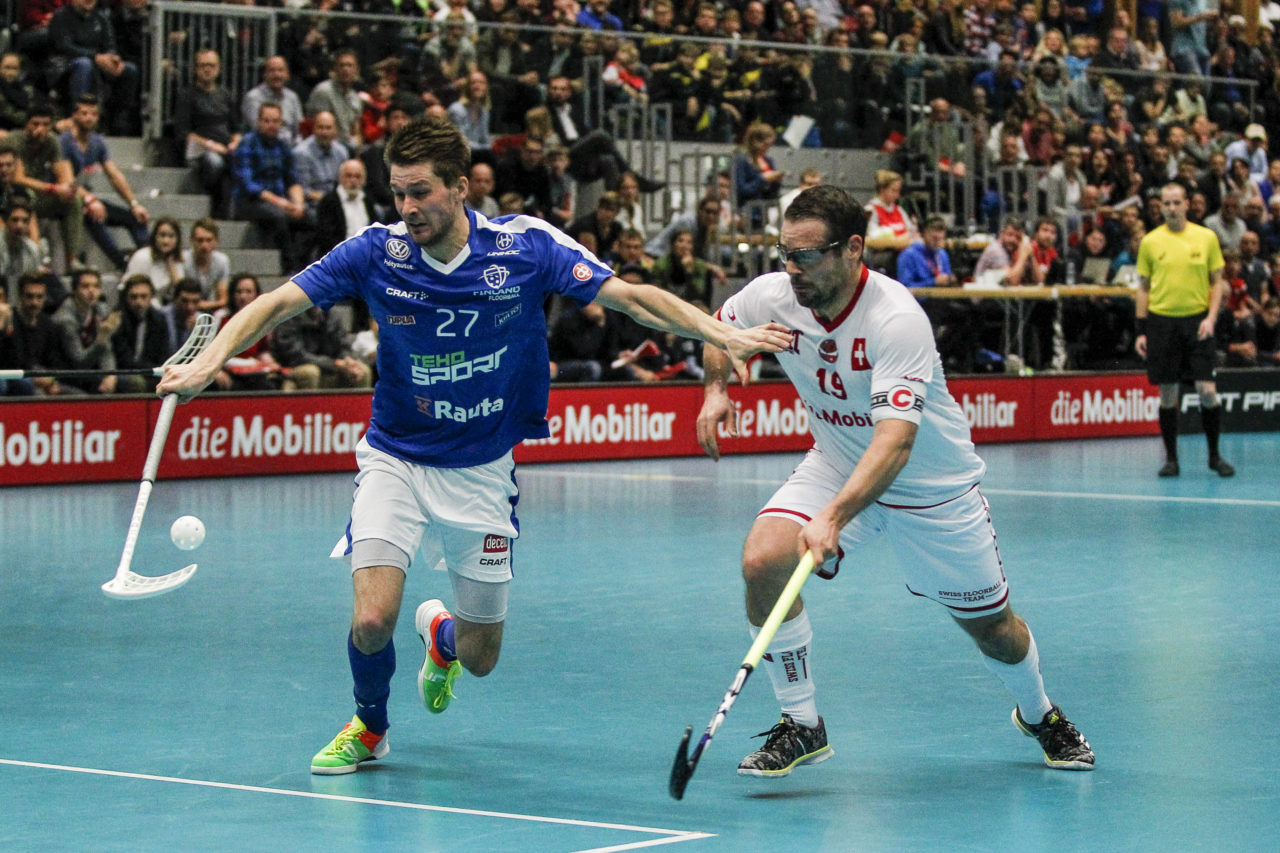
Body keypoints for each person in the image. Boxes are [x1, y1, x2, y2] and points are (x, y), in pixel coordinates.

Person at [155, 115, 791, 776]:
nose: (406, 208)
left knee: (482, 655)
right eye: (397, 192)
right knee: (372, 619)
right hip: (395, 455)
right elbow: (276, 303)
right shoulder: (376, 251)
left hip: (483, 469)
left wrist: (721, 335)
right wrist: (209, 363)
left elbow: (631, 297)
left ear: (461, 188)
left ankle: (443, 635)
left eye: (420, 191)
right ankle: (370, 726)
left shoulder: (524, 246)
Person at [695, 184, 1094, 780]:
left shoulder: (895, 317)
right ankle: (801, 724)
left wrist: (831, 518)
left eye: (806, 255)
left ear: (853, 249)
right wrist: (716, 389)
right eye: (784, 253)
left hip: (929, 489)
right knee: (763, 561)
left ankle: (1040, 713)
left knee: (993, 630)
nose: (791, 268)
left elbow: (896, 443)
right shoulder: (774, 295)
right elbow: (717, 329)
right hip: (834, 461)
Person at [1135, 182, 1234, 478]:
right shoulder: (1150, 242)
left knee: (1207, 390)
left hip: (1197, 321)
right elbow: (1142, 287)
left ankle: (1215, 457)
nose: (1171, 208)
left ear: (1187, 204)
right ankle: (1171, 459)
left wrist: (1211, 318)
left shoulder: (1206, 238)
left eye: (1176, 202)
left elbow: (1217, 281)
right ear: (1161, 207)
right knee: (1168, 392)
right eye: (1166, 203)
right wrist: (1142, 330)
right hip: (1162, 322)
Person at [59, 94, 150, 271]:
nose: (89, 118)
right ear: (75, 116)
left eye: (93, 114)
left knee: (136, 218)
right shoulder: (65, 141)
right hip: (67, 198)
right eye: (84, 113)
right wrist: (90, 200)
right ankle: (123, 265)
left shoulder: (97, 142)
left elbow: (114, 175)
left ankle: (148, 262)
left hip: (85, 196)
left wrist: (134, 203)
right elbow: (68, 180)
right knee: (95, 215)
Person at [233, 102, 308, 274]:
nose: (271, 125)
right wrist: (283, 204)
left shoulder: (283, 146)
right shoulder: (247, 143)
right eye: (266, 121)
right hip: (250, 203)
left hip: (280, 201)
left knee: (310, 217)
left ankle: (308, 267)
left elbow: (292, 179)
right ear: (258, 122)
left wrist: (298, 205)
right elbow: (249, 185)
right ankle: (290, 268)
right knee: (279, 216)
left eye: (275, 121)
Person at [47, 0, 140, 136]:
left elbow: (110, 44)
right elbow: (63, 46)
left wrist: (113, 58)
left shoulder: (101, 18)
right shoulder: (61, 16)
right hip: (65, 66)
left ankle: (119, 122)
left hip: (97, 63)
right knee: (84, 64)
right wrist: (95, 57)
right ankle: (78, 115)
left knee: (129, 70)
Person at [173, 48, 241, 219]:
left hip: (225, 147)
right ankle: (212, 209)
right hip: (200, 150)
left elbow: (237, 128)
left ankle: (232, 213)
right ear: (195, 69)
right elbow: (183, 133)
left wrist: (235, 142)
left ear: (218, 69)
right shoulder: (186, 95)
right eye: (203, 65)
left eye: (211, 65)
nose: (207, 69)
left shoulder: (225, 94)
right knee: (215, 162)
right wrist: (210, 145)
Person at [51, 266, 118, 393]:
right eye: (85, 286)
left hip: (90, 371)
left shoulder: (100, 309)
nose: (91, 291)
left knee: (122, 383)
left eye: (96, 286)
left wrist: (110, 375)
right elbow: (79, 362)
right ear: (74, 290)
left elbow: (107, 350)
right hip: (67, 374)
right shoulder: (65, 319)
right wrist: (101, 338)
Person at [111, 274, 172, 393]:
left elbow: (164, 354)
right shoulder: (118, 318)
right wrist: (153, 370)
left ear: (151, 297)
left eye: (144, 297)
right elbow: (124, 360)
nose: (139, 302)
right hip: (123, 372)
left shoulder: (159, 320)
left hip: (151, 372)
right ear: (126, 298)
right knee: (137, 383)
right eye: (134, 297)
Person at [315, 158, 383, 257]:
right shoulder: (328, 202)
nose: (353, 180)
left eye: (358, 176)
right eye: (348, 176)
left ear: (364, 180)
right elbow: (326, 239)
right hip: (338, 257)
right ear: (340, 178)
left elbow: (376, 231)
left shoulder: (367, 200)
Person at [242, 57, 305, 149]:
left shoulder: (292, 97)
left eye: (280, 70)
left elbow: (299, 128)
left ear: (287, 74)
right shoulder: (253, 97)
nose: (277, 74)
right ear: (265, 74)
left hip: (291, 147)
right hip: (262, 147)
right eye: (272, 70)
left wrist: (299, 146)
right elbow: (260, 129)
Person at [124, 218, 183, 302]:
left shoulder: (176, 260)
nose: (166, 241)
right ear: (155, 237)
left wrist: (171, 265)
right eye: (162, 235)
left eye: (171, 236)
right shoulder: (142, 257)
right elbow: (129, 288)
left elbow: (180, 291)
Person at [181, 218, 231, 312]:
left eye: (209, 240)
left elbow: (223, 300)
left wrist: (204, 305)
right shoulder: (183, 260)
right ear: (192, 241)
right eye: (200, 240)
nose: (204, 245)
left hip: (205, 305)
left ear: (216, 241)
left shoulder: (222, 261)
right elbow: (181, 296)